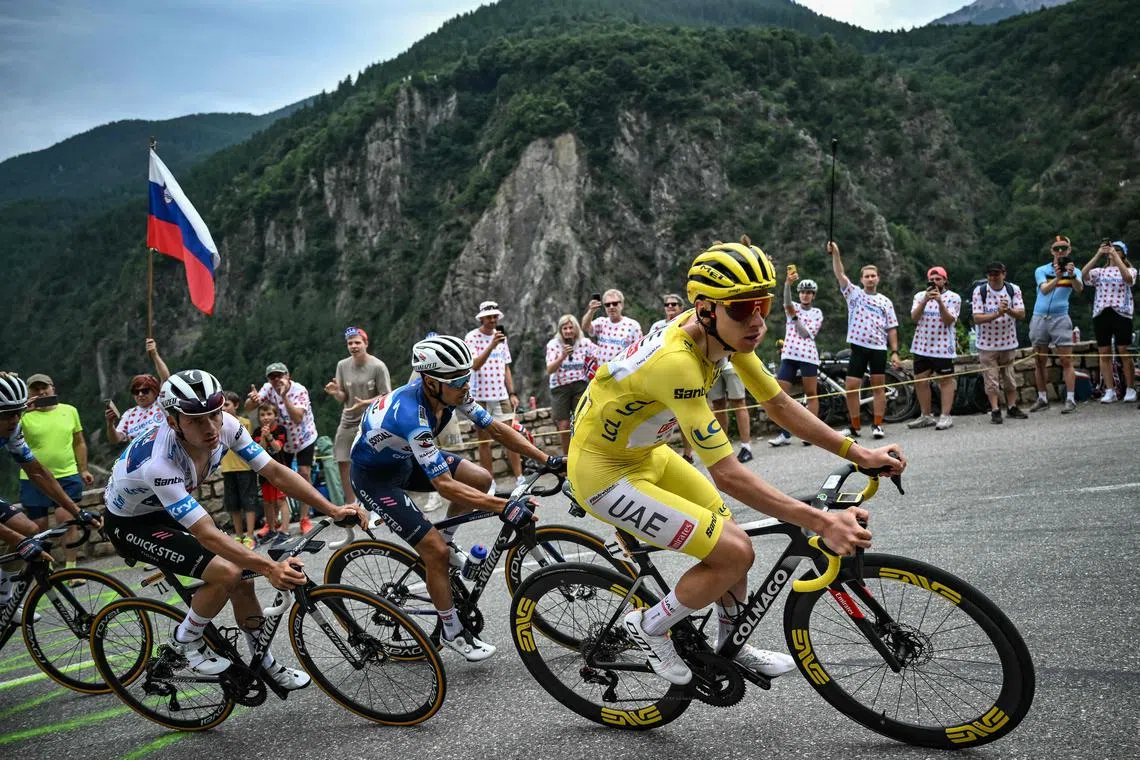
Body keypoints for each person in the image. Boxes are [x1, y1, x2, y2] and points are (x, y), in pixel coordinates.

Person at [568, 240, 904, 686]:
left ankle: (731, 644)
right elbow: (726, 472)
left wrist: (858, 453)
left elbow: (779, 404)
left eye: (763, 305)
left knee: (731, 542)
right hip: (603, 475)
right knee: (734, 551)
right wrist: (821, 522)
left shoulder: (726, 334)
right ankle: (647, 625)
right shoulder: (678, 362)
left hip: (647, 454)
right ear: (706, 309)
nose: (758, 321)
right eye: (744, 308)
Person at [103, 370, 364, 685]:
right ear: (173, 422)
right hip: (131, 523)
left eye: (214, 414)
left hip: (164, 506)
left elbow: (276, 472)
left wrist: (333, 509)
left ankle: (262, 661)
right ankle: (185, 642)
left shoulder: (227, 425)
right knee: (227, 572)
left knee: (243, 579)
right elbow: (207, 533)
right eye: (196, 420)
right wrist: (270, 567)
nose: (210, 426)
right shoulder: (160, 463)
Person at [349, 335, 563, 662]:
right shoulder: (412, 415)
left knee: (480, 478)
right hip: (375, 479)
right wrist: (504, 506)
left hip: (404, 459)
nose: (466, 386)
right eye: (459, 380)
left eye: (468, 377)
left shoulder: (451, 395)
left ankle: (447, 543)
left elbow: (497, 429)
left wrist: (545, 458)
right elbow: (445, 486)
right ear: (431, 382)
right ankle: (451, 631)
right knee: (433, 550)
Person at [0, 373, 100, 608]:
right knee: (20, 537)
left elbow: (39, 473)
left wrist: (77, 512)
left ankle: (3, 598)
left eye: (18, 412)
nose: (15, 419)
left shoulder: (13, 431)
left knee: (30, 529)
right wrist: (18, 540)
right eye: (7, 415)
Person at [18, 373, 94, 581]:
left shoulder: (69, 411)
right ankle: (46, 570)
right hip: (32, 478)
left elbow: (79, 441)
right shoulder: (23, 416)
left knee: (67, 520)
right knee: (38, 526)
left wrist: (84, 469)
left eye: (45, 388)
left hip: (67, 474)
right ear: (29, 393)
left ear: (53, 388)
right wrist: (22, 409)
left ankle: (71, 569)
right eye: (36, 389)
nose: (42, 392)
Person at [829, 241, 900, 438]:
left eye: (873, 276)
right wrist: (836, 254)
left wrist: (894, 351)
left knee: (878, 386)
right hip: (858, 347)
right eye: (866, 276)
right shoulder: (854, 294)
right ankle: (854, 426)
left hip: (878, 348)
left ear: (878, 278)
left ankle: (878, 425)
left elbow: (892, 328)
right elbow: (840, 274)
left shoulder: (885, 301)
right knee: (851, 387)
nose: (870, 279)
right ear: (861, 279)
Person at [245, 362, 318, 531]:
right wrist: (253, 400)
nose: (276, 379)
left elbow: (298, 418)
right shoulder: (267, 388)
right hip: (282, 439)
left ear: (288, 376)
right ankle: (272, 522)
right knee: (279, 478)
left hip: (303, 437)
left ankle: (304, 518)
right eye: (272, 376)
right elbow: (248, 407)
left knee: (304, 474)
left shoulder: (299, 390)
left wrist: (284, 396)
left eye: (280, 375)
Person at [325, 326, 391, 502]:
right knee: (342, 458)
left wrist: (365, 403)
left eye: (357, 342)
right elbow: (343, 397)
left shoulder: (377, 366)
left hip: (372, 418)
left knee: (373, 461)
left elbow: (386, 395)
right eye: (350, 343)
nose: (353, 346)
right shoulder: (342, 365)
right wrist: (335, 392)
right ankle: (352, 503)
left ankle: (379, 499)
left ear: (365, 343)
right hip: (349, 418)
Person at [464, 301, 523, 486]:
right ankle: (490, 481)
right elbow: (474, 365)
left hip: (501, 395)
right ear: (481, 318)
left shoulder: (501, 338)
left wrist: (512, 392)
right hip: (480, 396)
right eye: (489, 317)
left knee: (510, 436)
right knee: (484, 440)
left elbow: (506, 367)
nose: (492, 320)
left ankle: (519, 477)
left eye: (495, 316)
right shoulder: (472, 337)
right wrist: (491, 345)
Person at [1029, 235, 1083, 414]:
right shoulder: (1041, 270)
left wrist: (1071, 274)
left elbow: (1079, 288)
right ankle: (1042, 397)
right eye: (1057, 248)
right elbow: (1044, 289)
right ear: (1052, 251)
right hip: (1039, 317)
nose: (1060, 251)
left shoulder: (1075, 270)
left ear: (1069, 250)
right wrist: (1057, 277)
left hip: (1060, 316)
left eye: (1064, 248)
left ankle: (1070, 399)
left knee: (1066, 360)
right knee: (1039, 360)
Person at [769, 272, 824, 447]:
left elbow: (805, 333)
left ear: (813, 295)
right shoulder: (793, 306)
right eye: (802, 292)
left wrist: (794, 317)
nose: (804, 295)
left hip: (808, 356)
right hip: (789, 355)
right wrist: (787, 284)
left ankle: (813, 433)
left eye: (808, 292)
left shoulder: (817, 313)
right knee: (780, 395)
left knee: (811, 393)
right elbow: (786, 302)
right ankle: (785, 433)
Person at [971, 262, 1029, 423]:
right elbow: (977, 317)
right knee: (991, 380)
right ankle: (995, 409)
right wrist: (998, 314)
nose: (994, 277)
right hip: (987, 344)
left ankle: (1011, 406)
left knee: (1010, 378)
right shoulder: (980, 292)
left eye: (997, 274)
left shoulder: (1013, 290)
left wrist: (1008, 310)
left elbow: (1022, 313)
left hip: (1008, 342)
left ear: (1004, 274)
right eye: (990, 274)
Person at [906, 266, 961, 431]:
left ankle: (945, 415)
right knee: (920, 380)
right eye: (932, 280)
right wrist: (925, 301)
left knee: (945, 381)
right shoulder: (919, 296)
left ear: (945, 280)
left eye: (938, 279)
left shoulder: (953, 298)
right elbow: (914, 318)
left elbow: (949, 320)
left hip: (943, 346)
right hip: (922, 346)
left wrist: (939, 302)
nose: (935, 283)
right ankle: (926, 415)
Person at [1082, 240, 1136, 403]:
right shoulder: (1099, 272)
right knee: (1104, 352)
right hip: (1101, 312)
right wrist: (1099, 254)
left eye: (1118, 249)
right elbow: (1083, 275)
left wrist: (1116, 256)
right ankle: (1110, 390)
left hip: (1122, 313)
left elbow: (1127, 278)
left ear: (1123, 253)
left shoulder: (1131, 269)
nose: (1114, 251)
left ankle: (1130, 388)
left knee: (1124, 351)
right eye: (1113, 249)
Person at [544, 315, 597, 455]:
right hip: (560, 386)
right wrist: (562, 356)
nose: (568, 331)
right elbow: (549, 370)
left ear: (576, 329)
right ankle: (567, 457)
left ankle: (584, 453)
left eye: (570, 327)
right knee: (564, 425)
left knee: (583, 419)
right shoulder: (553, 345)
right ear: (560, 330)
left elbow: (598, 356)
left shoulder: (584, 342)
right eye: (564, 328)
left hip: (579, 384)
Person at [105, 338, 171, 444]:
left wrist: (154, 354)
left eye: (145, 391)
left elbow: (166, 378)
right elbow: (116, 438)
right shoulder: (129, 414)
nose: (140, 395)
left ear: (155, 391)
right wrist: (110, 423)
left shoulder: (161, 403)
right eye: (136, 392)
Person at [220, 391, 258, 548]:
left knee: (248, 502)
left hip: (245, 468)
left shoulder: (246, 423)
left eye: (227, 405)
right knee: (233, 504)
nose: (224, 409)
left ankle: (250, 535)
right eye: (221, 406)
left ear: (236, 405)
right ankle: (238, 535)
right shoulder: (218, 424)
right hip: (227, 469)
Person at [252, 403, 290, 543]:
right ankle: (272, 529)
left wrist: (269, 437)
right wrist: (263, 436)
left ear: (275, 415)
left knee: (281, 500)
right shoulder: (256, 432)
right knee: (267, 502)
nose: (266, 417)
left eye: (269, 414)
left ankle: (285, 530)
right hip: (264, 471)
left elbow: (277, 448)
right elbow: (259, 450)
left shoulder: (281, 429)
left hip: (279, 470)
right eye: (262, 415)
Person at [582, 288, 643, 364]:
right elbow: (585, 327)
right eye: (607, 305)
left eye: (615, 303)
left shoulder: (633, 326)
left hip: (622, 372)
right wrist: (591, 311)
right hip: (602, 371)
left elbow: (640, 351)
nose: (611, 307)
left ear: (622, 305)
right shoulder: (601, 322)